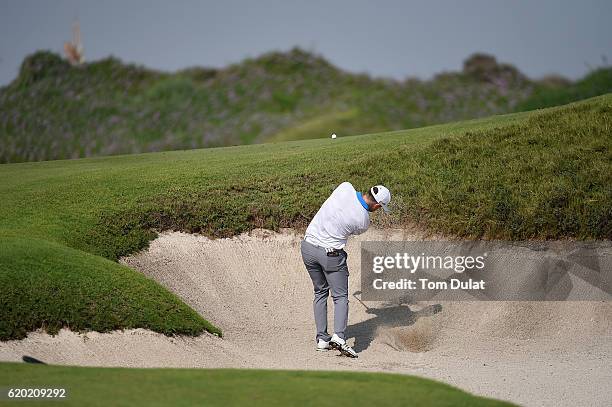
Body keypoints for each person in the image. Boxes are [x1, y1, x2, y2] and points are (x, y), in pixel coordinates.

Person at [300, 182, 391, 358]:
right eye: (379, 208)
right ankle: (339, 338)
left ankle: (322, 340)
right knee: (340, 297)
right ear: (377, 205)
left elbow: (341, 195)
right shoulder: (364, 221)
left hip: (308, 247)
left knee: (320, 292)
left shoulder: (345, 187)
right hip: (331, 256)